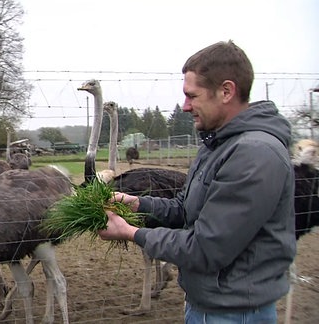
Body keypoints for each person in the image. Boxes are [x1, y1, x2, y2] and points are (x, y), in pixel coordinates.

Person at [99, 40, 296, 323]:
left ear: (226, 91)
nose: (185, 106)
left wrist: (131, 233)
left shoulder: (254, 154)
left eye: (192, 96)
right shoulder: (217, 145)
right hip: (210, 304)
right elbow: (186, 209)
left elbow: (206, 248)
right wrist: (137, 204)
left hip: (234, 312)